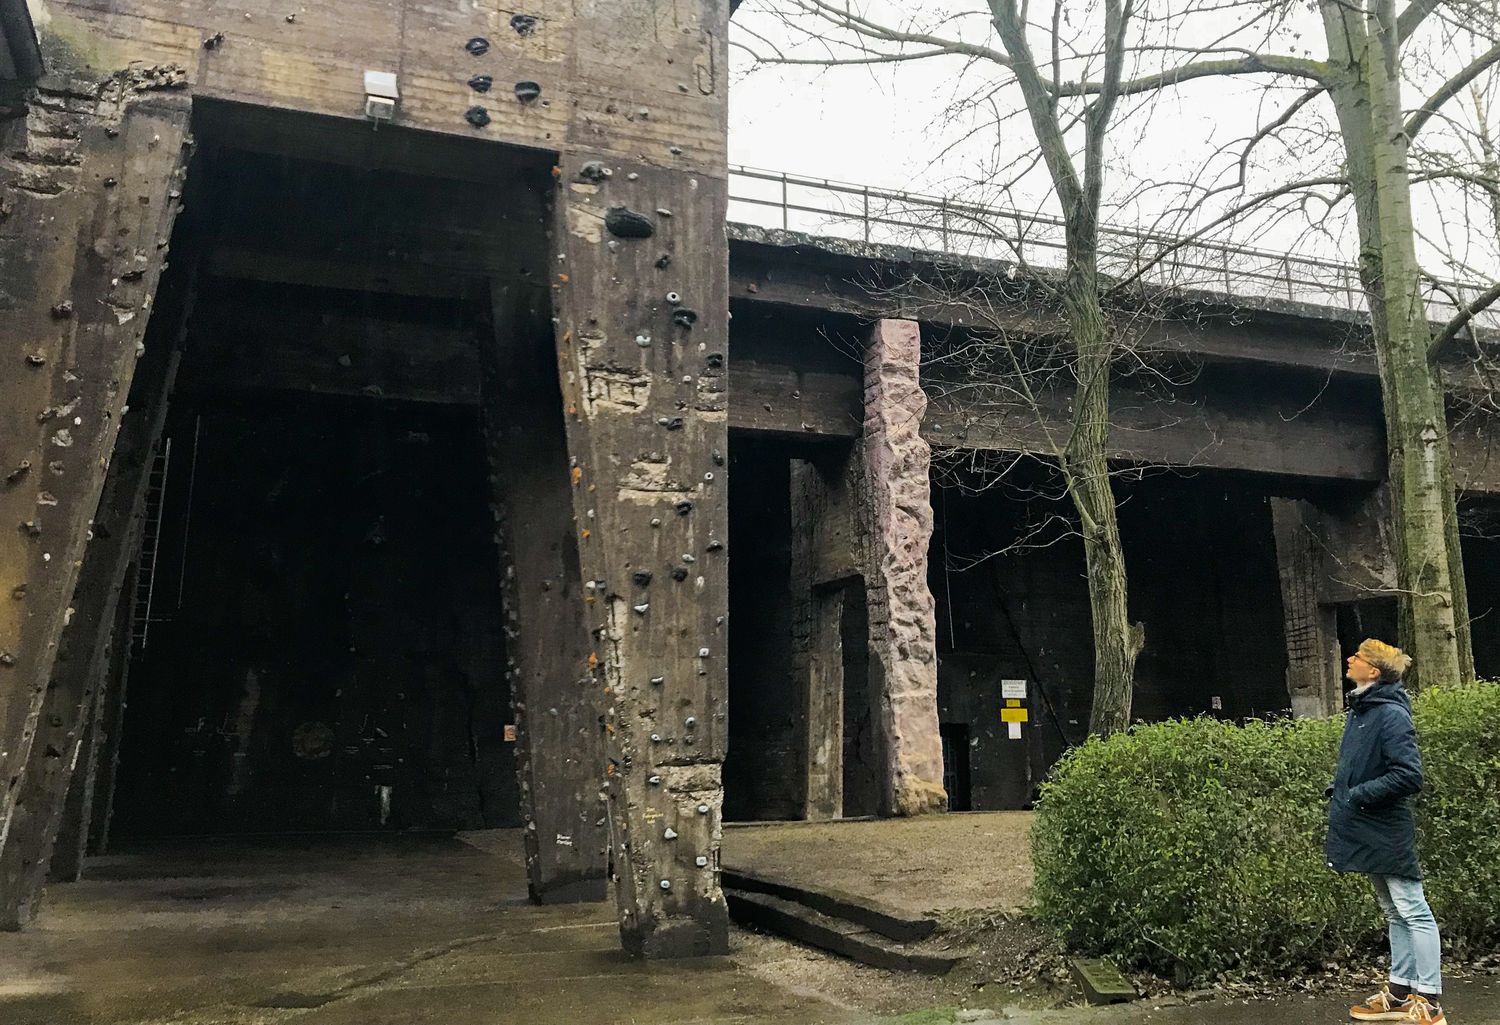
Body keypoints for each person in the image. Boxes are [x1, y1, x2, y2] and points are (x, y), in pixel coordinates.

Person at [1328, 639, 1445, 1025]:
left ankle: (1429, 1002)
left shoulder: (1390, 714)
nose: (1350, 659)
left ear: (1373, 671)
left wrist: (1358, 794)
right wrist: (1342, 789)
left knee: (1413, 910)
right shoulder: (1364, 709)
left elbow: (1408, 775)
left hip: (1385, 827)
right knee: (1394, 911)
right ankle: (1398, 993)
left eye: (1357, 657)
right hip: (1367, 823)